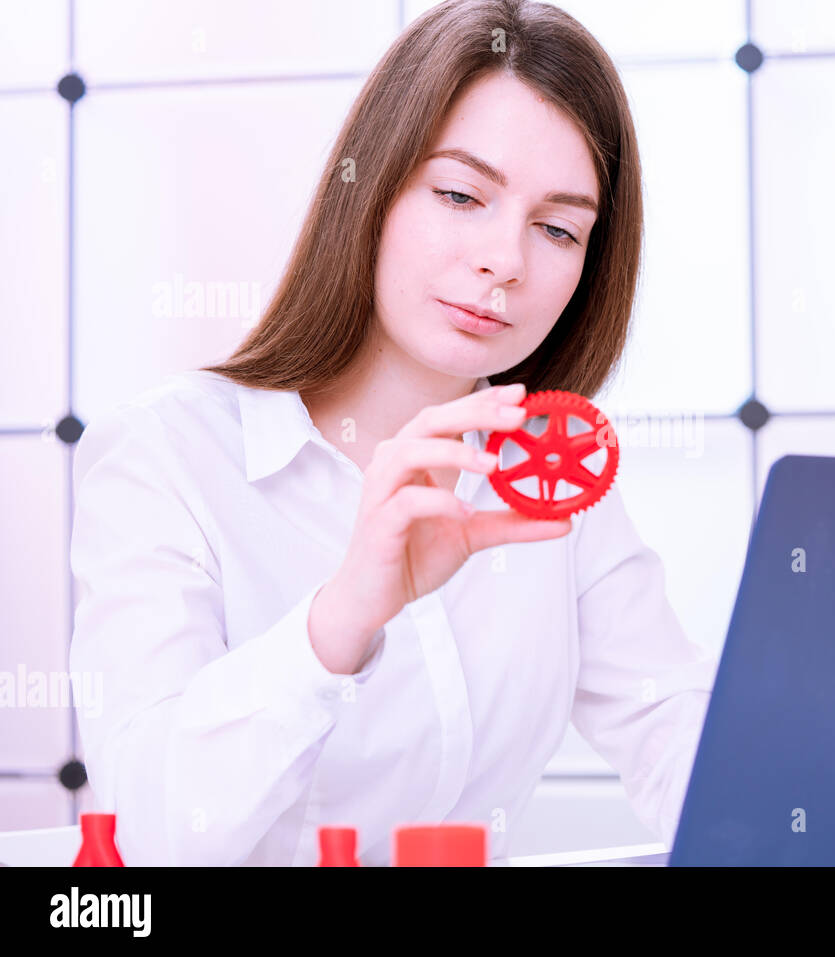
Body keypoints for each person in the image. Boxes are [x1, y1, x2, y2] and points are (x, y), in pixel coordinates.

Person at [69, 0, 716, 866]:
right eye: (460, 193)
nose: (506, 260)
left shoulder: (544, 481)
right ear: (370, 185)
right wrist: (342, 618)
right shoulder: (166, 458)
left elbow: (676, 731)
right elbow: (149, 836)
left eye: (558, 227)